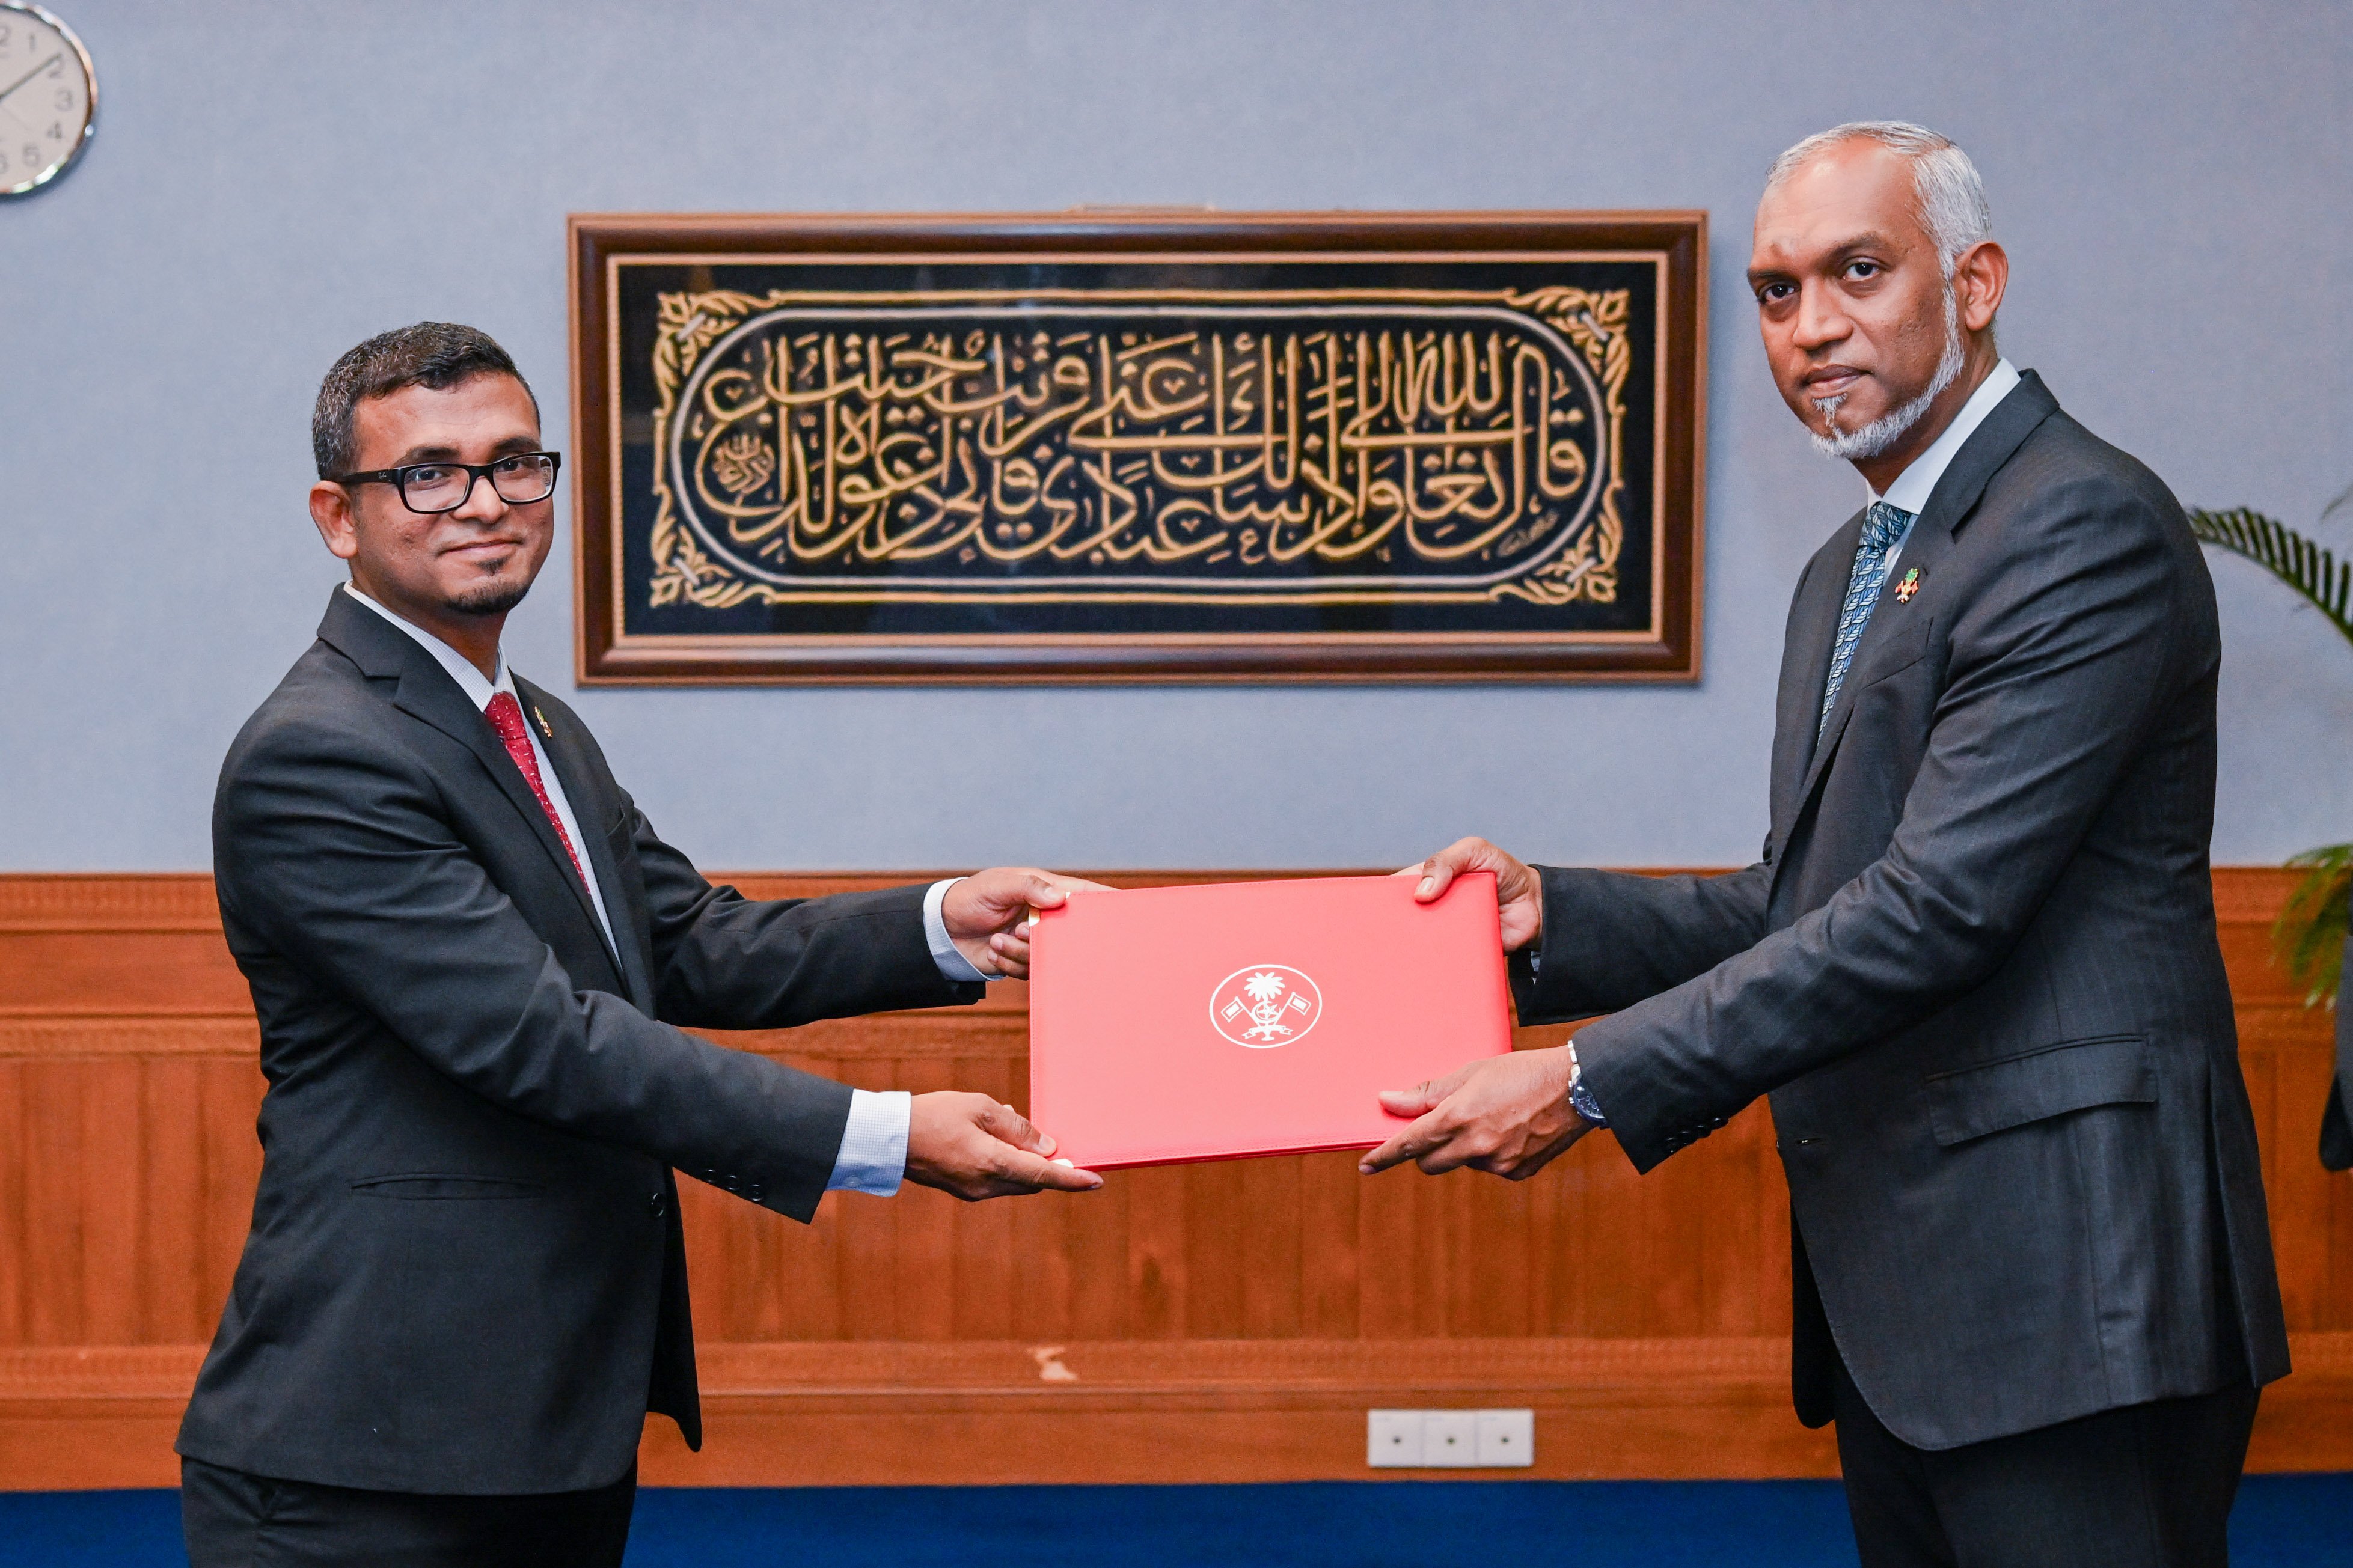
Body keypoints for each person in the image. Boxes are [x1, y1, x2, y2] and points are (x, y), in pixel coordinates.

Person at [1365, 123, 2289, 1566]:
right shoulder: (1849, 571)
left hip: (2072, 1295)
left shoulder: (2076, 524)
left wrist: (1590, 1078)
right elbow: (1811, 900)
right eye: (1777, 291)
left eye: (1859, 271)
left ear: (1973, 284)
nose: (1810, 327)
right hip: (1911, 1301)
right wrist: (1549, 921)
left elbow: (1932, 911)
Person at [176, 322, 1103, 1566]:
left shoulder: (532, 723)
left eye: (515, 463)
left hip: (544, 1416)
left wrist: (941, 922)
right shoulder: (319, 752)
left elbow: (685, 940)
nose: (484, 503)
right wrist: (882, 1136)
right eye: (429, 474)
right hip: (371, 1445)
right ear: (339, 517)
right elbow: (540, 1037)